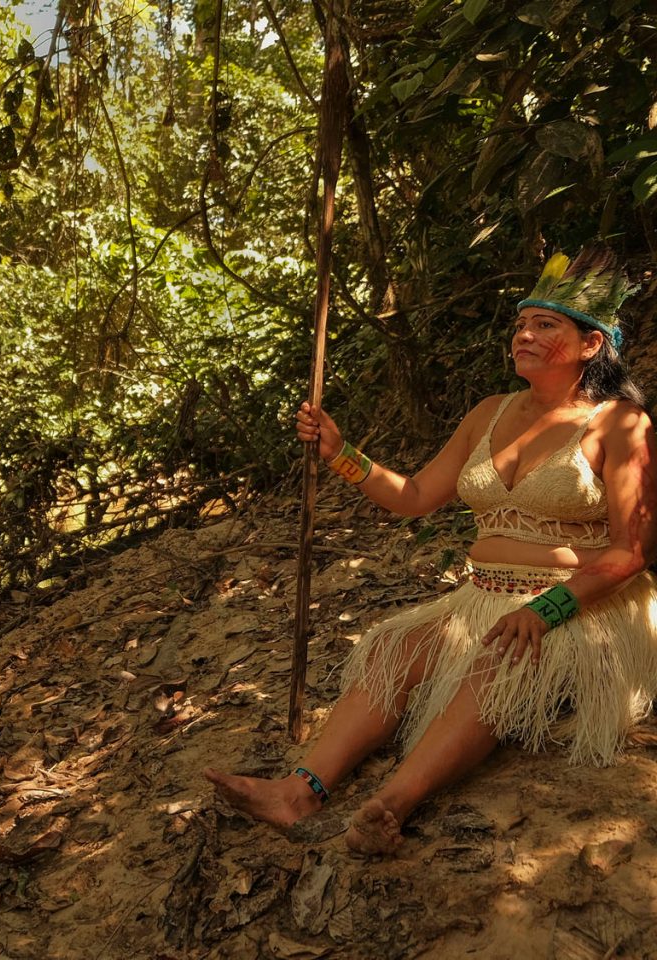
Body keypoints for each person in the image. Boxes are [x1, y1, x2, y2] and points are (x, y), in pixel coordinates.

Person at [204, 249, 657, 855]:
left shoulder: (620, 424)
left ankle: (391, 806)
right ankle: (299, 790)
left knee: (497, 660)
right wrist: (341, 453)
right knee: (393, 646)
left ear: (591, 346)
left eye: (546, 325)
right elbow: (416, 495)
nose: (523, 334)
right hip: (483, 595)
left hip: (580, 608)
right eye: (520, 323)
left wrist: (547, 609)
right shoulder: (488, 414)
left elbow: (632, 552)